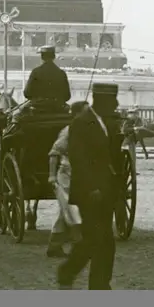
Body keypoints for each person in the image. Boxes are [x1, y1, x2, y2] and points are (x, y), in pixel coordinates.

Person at [57, 82, 124, 290]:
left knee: (104, 240)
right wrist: (92, 187)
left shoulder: (105, 121)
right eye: (112, 101)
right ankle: (68, 271)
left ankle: (99, 283)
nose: (116, 105)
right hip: (90, 192)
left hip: (106, 189)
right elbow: (80, 159)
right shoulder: (81, 122)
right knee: (94, 238)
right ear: (101, 100)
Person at [46, 101, 88, 258]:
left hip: (80, 175)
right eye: (85, 112)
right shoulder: (67, 132)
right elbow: (54, 154)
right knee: (72, 209)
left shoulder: (88, 131)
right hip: (66, 175)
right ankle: (79, 244)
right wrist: (51, 175)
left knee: (67, 211)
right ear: (76, 115)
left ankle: (54, 246)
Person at [24, 46, 71, 110]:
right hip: (58, 108)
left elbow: (27, 93)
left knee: (16, 116)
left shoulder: (36, 72)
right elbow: (67, 96)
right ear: (54, 56)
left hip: (38, 108)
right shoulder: (61, 73)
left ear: (41, 57)